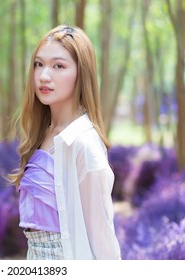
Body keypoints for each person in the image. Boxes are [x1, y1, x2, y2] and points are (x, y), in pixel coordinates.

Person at [8, 25, 121, 260]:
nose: (44, 75)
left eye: (58, 66)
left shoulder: (83, 143)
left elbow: (102, 238)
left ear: (82, 73)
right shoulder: (42, 135)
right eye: (39, 64)